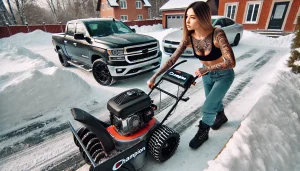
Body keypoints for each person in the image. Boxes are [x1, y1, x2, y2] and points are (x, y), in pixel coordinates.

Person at [147, 1, 235, 149]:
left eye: (192, 17)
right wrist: (155, 76)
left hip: (224, 75)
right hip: (206, 75)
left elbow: (231, 61)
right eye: (186, 16)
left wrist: (208, 69)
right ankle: (221, 117)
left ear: (202, 18)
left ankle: (203, 132)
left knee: (207, 107)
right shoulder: (189, 38)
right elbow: (172, 59)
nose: (187, 21)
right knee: (213, 100)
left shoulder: (217, 34)